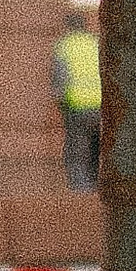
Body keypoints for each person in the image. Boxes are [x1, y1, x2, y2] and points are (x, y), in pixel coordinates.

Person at [51, 11, 101, 192]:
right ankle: (97, 185)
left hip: (77, 106)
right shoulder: (95, 43)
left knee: (77, 147)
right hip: (101, 106)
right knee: (97, 147)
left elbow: (60, 79)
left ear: (68, 26)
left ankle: (81, 189)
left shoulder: (64, 46)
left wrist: (59, 100)